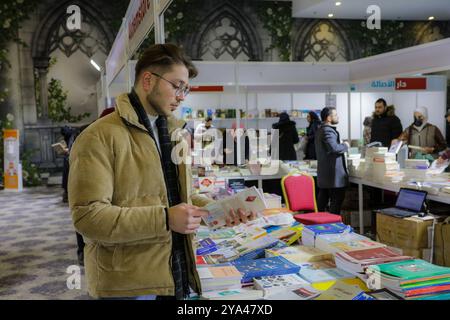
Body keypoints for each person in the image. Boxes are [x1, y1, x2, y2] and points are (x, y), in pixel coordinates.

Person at [68, 44, 255, 300]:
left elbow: (176, 196)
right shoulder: (98, 137)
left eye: (185, 89)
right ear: (148, 80)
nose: (182, 96)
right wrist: (165, 219)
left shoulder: (172, 133)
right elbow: (88, 217)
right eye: (177, 86)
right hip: (126, 283)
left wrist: (217, 208)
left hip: (173, 273)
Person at [315, 107, 349, 215]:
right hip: (333, 176)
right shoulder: (327, 130)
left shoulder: (321, 129)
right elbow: (334, 148)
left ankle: (322, 224)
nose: (338, 116)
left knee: (323, 201)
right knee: (335, 202)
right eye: (335, 114)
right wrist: (345, 145)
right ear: (329, 118)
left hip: (327, 175)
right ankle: (333, 225)